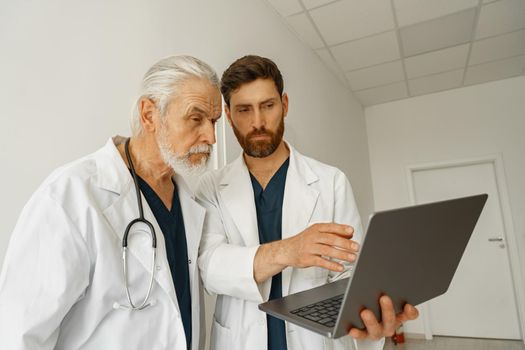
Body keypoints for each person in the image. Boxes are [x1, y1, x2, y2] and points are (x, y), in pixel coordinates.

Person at [196, 55, 419, 350]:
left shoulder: (330, 181)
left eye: (268, 106)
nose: (258, 122)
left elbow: (351, 272)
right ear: (227, 113)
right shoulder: (210, 187)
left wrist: (372, 316)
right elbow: (209, 269)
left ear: (284, 104)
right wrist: (288, 250)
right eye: (244, 110)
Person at [0, 55, 222, 350]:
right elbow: (19, 334)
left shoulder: (186, 200)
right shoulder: (71, 196)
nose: (211, 136)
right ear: (149, 115)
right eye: (196, 118)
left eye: (214, 121)